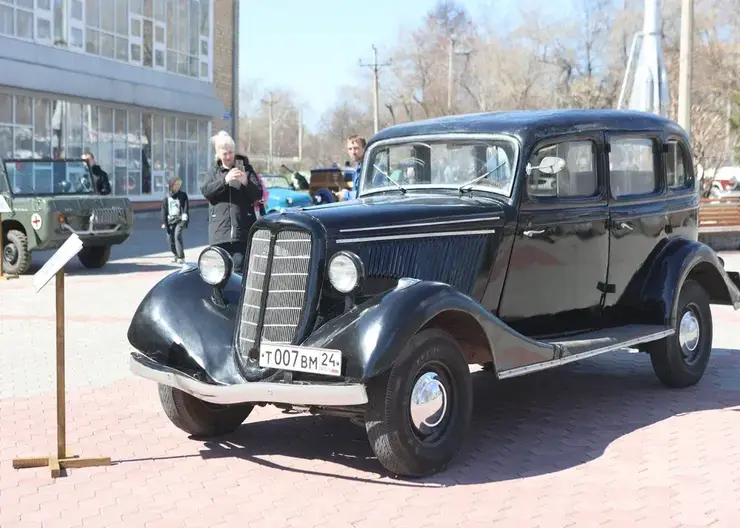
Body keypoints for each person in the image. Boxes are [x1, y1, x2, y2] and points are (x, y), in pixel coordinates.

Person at [200, 131, 264, 273]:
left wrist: (246, 182)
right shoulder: (213, 171)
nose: (228, 157)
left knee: (239, 271)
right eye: (225, 153)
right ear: (218, 153)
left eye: (231, 152)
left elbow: (258, 194)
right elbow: (206, 191)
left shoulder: (246, 168)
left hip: (241, 231)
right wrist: (225, 181)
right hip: (220, 232)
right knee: (220, 272)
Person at [161, 175, 189, 264]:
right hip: (170, 221)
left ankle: (181, 256)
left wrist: (184, 218)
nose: (177, 186)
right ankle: (176, 255)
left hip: (180, 219)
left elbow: (185, 207)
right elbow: (164, 211)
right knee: (170, 239)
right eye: (175, 184)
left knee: (177, 235)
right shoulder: (167, 197)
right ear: (171, 185)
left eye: (179, 184)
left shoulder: (183, 195)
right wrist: (164, 222)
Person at [336, 135, 366, 201]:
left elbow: (369, 195)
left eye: (356, 148)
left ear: (364, 148)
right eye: (350, 149)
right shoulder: (358, 168)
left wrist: (346, 194)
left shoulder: (372, 168)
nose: (353, 152)